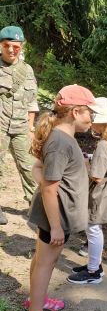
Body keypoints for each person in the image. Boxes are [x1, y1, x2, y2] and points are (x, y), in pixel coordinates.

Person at [24, 85, 100, 311]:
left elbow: (39, 170)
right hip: (56, 215)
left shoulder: (63, 138)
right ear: (75, 112)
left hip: (59, 213)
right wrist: (55, 226)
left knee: (43, 259)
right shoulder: (60, 142)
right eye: (90, 113)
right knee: (46, 262)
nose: (92, 118)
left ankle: (37, 299)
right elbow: (49, 188)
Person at [67, 98, 107, 285]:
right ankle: (95, 266)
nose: (91, 121)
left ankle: (93, 271)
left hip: (100, 190)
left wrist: (85, 162)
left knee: (93, 229)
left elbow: (97, 176)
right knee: (95, 228)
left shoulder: (103, 144)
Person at [0, 25, 39, 224]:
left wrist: (31, 127)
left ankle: (35, 205)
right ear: (1, 45)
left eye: (16, 46)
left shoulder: (27, 70)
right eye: (7, 45)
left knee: (29, 166)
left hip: (21, 126)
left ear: (22, 46)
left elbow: (32, 101)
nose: (11, 50)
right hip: (0, 126)